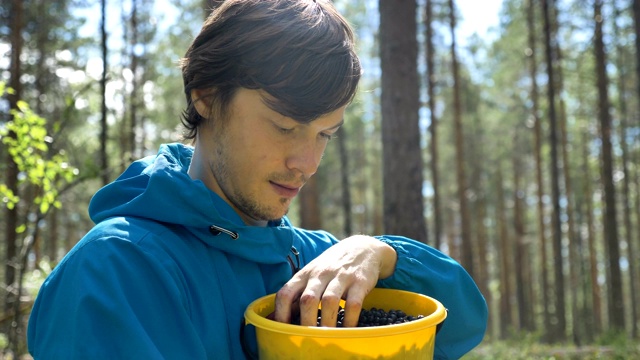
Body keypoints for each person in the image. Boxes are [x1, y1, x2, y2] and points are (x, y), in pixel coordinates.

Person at [27, 0, 487, 358]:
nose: (306, 163)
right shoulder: (117, 268)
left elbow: (462, 324)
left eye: (324, 134)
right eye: (284, 127)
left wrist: (380, 253)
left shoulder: (312, 262)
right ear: (206, 96)